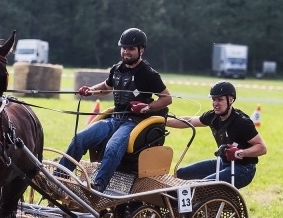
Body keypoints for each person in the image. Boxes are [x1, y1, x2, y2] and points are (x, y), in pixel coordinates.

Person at [59, 28, 172, 192]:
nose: (126, 52)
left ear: (142, 50)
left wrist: (147, 107)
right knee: (79, 138)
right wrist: (90, 90)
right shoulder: (117, 69)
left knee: (112, 149)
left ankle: (98, 187)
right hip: (114, 119)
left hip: (133, 123)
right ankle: (60, 176)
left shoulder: (148, 74)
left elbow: (167, 98)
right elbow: (106, 87)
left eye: (131, 49)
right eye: (124, 48)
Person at [166, 81, 266, 189]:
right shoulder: (212, 116)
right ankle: (176, 204)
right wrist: (162, 121)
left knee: (203, 186)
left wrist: (240, 153)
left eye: (220, 99)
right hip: (223, 163)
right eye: (213, 99)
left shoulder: (241, 122)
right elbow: (189, 121)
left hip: (244, 169)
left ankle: (207, 204)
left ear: (231, 100)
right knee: (180, 174)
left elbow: (262, 148)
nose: (215, 103)